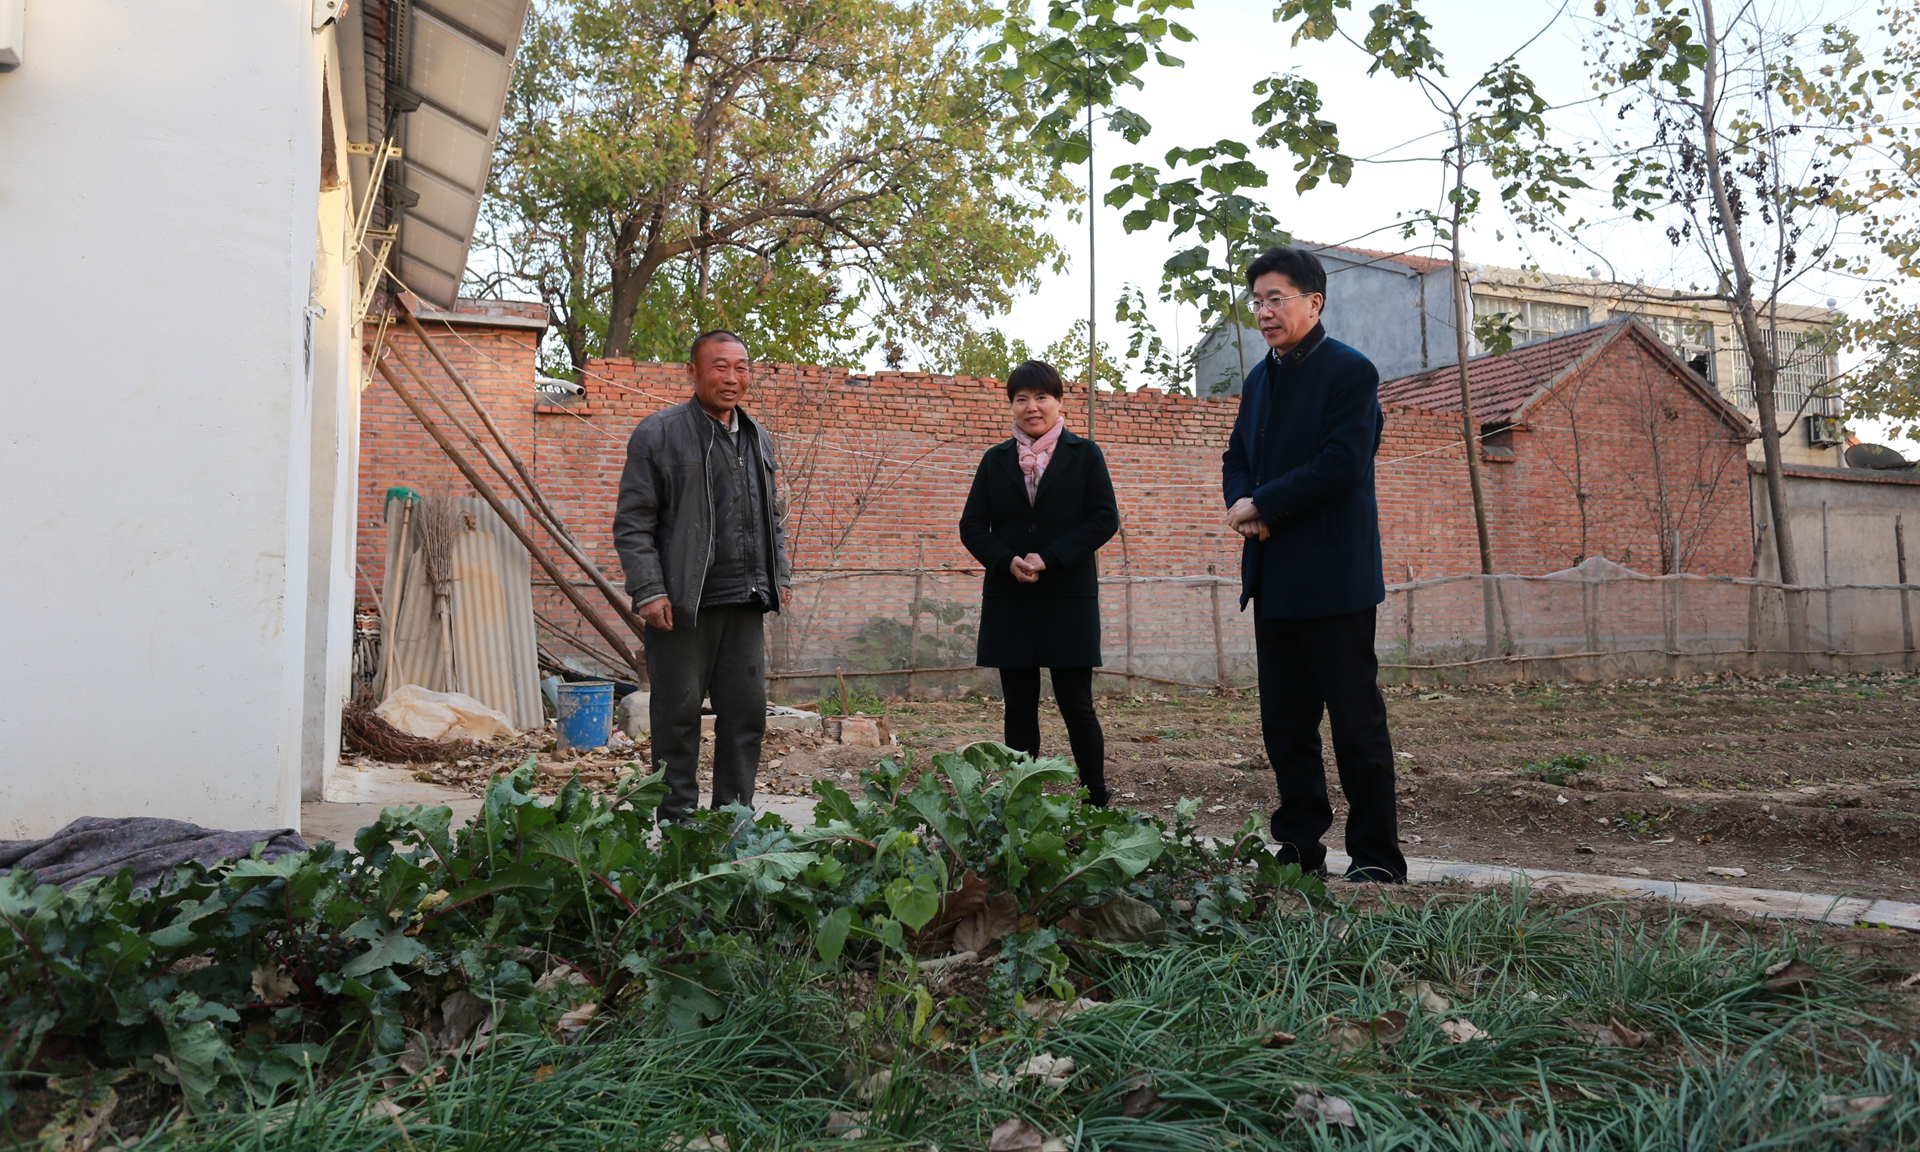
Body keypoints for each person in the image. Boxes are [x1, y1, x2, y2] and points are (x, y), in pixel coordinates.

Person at [1221, 246, 1408, 883]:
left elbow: (1341, 465)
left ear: (1314, 302)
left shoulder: (1350, 373)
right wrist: (1242, 506)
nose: (1264, 312)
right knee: (1286, 726)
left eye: (1276, 299)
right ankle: (1300, 849)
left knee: (1356, 723)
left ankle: (1376, 856)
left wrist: (1264, 504)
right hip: (1273, 578)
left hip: (1334, 580)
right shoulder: (1258, 379)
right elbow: (1236, 457)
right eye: (1257, 301)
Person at [613, 330, 791, 822]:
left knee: (745, 717)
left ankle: (733, 820)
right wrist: (649, 589)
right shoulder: (659, 433)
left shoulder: (757, 437)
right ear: (692, 372)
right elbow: (633, 523)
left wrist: (780, 575)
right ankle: (679, 827)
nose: (732, 378)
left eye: (741, 367)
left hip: (745, 600)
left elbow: (772, 518)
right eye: (719, 366)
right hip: (681, 605)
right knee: (677, 719)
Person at [960, 360, 1120, 805]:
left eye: (1041, 397)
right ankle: (1021, 800)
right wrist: (1006, 560)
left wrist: (1050, 558)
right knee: (1018, 706)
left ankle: (1095, 799)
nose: (1032, 407)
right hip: (1011, 597)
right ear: (1011, 405)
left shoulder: (1084, 455)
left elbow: (1104, 519)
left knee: (1077, 704)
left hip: (1068, 599)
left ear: (1059, 402)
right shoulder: (995, 460)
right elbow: (972, 525)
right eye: (1021, 399)